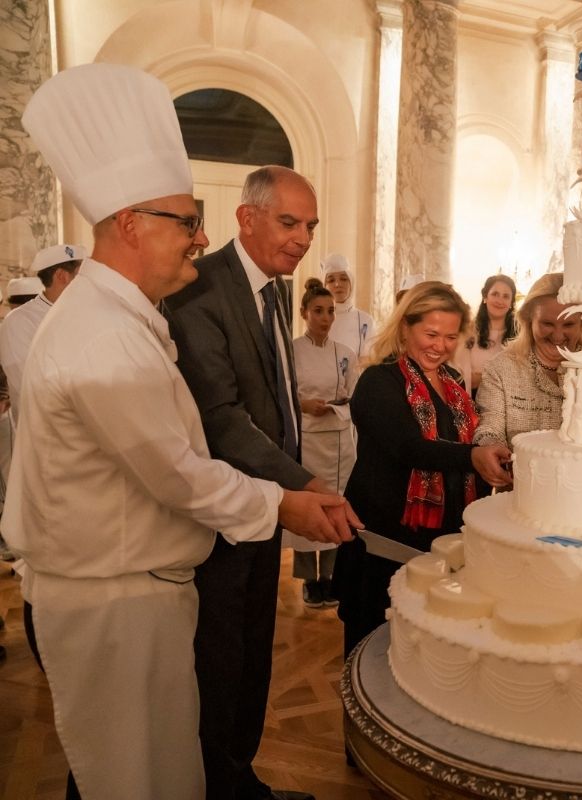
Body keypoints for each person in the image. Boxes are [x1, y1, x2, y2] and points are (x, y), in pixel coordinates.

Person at [10, 62, 353, 800]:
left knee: (159, 770)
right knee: (127, 778)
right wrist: (283, 504)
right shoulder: (103, 337)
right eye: (185, 220)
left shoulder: (122, 317)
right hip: (113, 603)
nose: (197, 239)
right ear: (131, 224)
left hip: (138, 591)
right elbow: (178, 469)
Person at [166, 164, 350, 800]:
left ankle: (240, 776)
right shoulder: (200, 290)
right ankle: (215, 781)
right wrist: (304, 482)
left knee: (252, 653)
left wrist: (296, 489)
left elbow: (275, 400)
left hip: (270, 507)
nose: (302, 238)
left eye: (310, 226)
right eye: (289, 222)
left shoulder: (273, 289)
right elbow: (220, 418)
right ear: (247, 218)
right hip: (224, 511)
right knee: (218, 658)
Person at [334, 281, 512, 656]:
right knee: (372, 650)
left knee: (426, 654)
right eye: (431, 333)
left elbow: (465, 444)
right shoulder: (379, 381)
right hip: (384, 540)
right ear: (404, 327)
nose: (440, 346)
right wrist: (472, 458)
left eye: (450, 337)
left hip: (438, 544)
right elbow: (408, 447)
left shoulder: (453, 383)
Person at [284, 279, 359, 609]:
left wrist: (339, 401)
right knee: (307, 504)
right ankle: (308, 579)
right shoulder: (290, 351)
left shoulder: (344, 354)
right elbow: (283, 392)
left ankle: (329, 576)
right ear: (304, 313)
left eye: (330, 312)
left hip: (338, 439)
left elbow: (354, 393)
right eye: (318, 311)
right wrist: (303, 404)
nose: (326, 318)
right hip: (308, 438)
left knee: (334, 504)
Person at [474, 272, 582, 449]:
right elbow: (489, 428)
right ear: (529, 320)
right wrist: (491, 447)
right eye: (547, 324)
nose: (557, 335)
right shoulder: (500, 368)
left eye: (569, 324)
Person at [0, 244, 86, 424]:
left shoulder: (85, 312)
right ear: (62, 276)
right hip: (46, 431)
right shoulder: (19, 321)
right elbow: (31, 384)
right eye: (82, 275)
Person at [467, 274, 518, 391]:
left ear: (511, 303)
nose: (500, 300)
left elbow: (518, 378)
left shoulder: (520, 336)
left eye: (506, 296)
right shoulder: (468, 331)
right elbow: (464, 378)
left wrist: (481, 377)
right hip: (471, 398)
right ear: (485, 297)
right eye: (495, 294)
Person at [320, 253, 376, 359]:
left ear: (351, 283)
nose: (338, 284)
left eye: (343, 279)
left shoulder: (366, 321)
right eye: (331, 280)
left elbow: (369, 361)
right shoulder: (317, 320)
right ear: (324, 286)